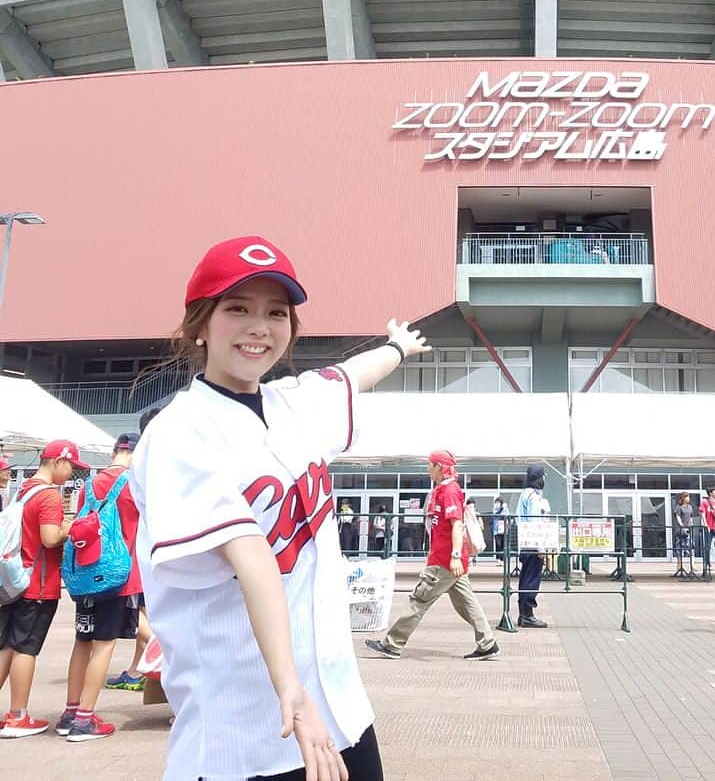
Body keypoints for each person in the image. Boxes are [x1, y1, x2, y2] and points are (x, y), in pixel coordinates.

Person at [129, 234, 430, 780]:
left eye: (276, 312)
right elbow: (254, 560)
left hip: (339, 710)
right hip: (245, 727)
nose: (258, 326)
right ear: (199, 322)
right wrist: (289, 688)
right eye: (237, 308)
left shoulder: (294, 402)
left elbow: (354, 375)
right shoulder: (179, 433)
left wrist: (397, 348)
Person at [365, 450, 499, 660]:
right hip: (450, 560)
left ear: (439, 467)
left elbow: (457, 525)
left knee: (419, 600)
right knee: (466, 603)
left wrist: (455, 555)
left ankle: (392, 644)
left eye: (430, 465)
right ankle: (487, 643)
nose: (428, 469)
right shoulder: (445, 490)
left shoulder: (449, 492)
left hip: (444, 561)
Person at [59, 431, 143, 742]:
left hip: (85, 572)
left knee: (83, 642)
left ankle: (70, 713)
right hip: (118, 575)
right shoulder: (135, 484)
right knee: (105, 645)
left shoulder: (89, 485)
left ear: (113, 453)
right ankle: (85, 719)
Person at [0, 439, 82, 736]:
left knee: (7, 646)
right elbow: (49, 538)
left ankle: (12, 714)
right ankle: (17, 716)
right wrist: (69, 528)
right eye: (71, 465)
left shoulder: (23, 490)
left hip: (14, 580)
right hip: (38, 584)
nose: (71, 472)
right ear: (58, 461)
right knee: (26, 649)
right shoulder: (49, 496)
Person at [106, 406, 160, 695]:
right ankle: (137, 671)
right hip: (143, 556)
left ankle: (162, 658)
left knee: (142, 619)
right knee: (146, 614)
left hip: (131, 560)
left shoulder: (124, 479)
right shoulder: (146, 474)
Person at [516, 464, 550, 628]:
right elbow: (535, 521)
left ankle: (523, 613)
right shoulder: (534, 497)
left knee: (525, 577)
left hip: (525, 542)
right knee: (532, 578)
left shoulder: (524, 494)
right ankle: (528, 614)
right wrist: (541, 548)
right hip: (533, 542)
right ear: (539, 478)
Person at [698, 488, 715, 579]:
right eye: (714, 492)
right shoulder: (705, 502)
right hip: (709, 526)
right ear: (710, 493)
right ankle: (706, 563)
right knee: (707, 546)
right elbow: (702, 514)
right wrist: (706, 525)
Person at [673, 492, 693, 575]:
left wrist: (691, 525)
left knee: (690, 546)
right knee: (679, 547)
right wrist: (682, 526)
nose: (688, 499)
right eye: (687, 497)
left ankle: (692, 565)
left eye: (689, 497)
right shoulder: (679, 507)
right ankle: (679, 564)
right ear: (683, 498)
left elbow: (691, 517)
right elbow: (678, 518)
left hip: (688, 528)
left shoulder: (690, 507)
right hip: (680, 529)